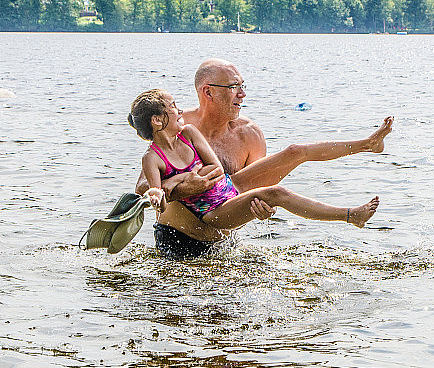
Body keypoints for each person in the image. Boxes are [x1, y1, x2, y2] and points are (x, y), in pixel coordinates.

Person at [134, 59, 393, 258]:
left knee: (294, 152)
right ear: (208, 92)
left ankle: (368, 144)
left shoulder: (250, 135)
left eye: (242, 86)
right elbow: (144, 190)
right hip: (178, 241)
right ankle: (348, 214)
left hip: (222, 240)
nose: (242, 94)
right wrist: (179, 187)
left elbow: (252, 197)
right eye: (234, 87)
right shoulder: (178, 128)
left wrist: (261, 211)